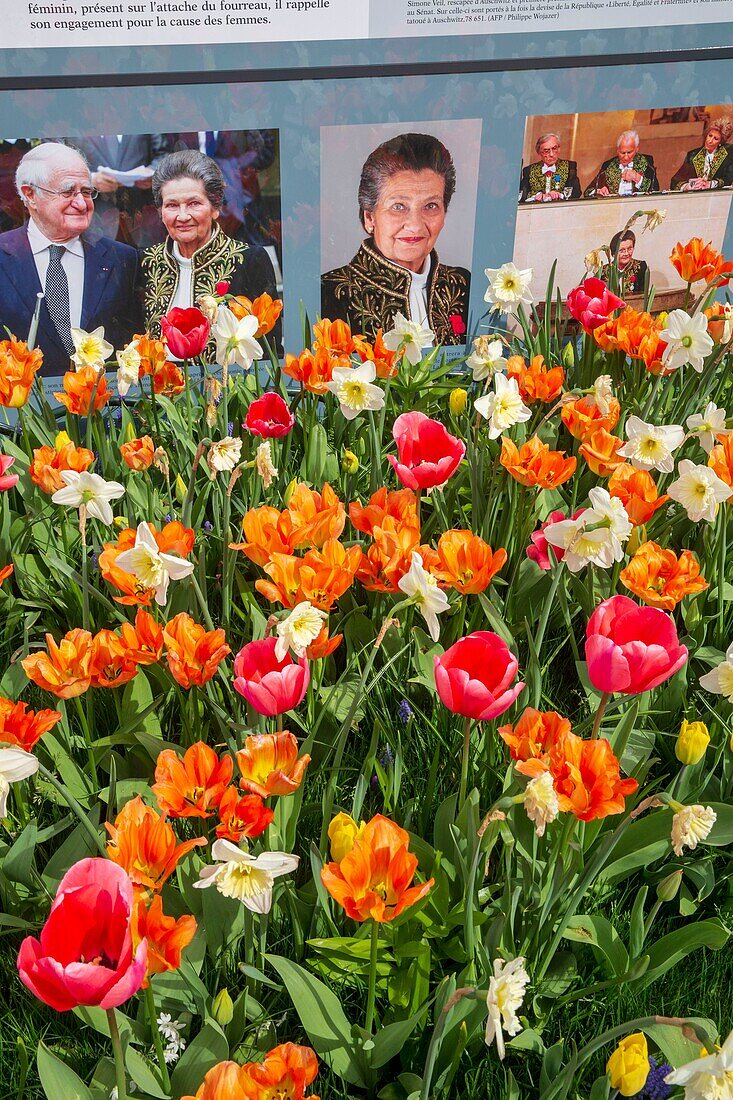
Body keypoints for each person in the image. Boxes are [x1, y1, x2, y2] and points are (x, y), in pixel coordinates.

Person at [0, 142, 140, 375]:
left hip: (104, 406)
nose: (81, 203)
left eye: (86, 192)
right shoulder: (4, 256)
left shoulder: (122, 260)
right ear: (30, 195)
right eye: (67, 192)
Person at [320, 133, 471, 346]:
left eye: (430, 206)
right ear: (369, 217)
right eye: (398, 206)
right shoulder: (330, 294)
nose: (415, 225)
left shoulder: (462, 284)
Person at [141, 149, 279, 359]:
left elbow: (270, 352)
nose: (183, 215)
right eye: (171, 205)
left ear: (215, 208)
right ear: (161, 213)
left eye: (194, 203)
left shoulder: (250, 260)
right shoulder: (145, 263)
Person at [66, 133, 171, 248]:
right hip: (97, 220)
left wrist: (153, 172)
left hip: (143, 216)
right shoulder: (75, 131)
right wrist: (91, 179)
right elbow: (60, 166)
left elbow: (164, 154)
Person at [585, 131, 659, 198]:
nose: (626, 157)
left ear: (636, 149)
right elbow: (588, 191)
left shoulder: (646, 163)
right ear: (617, 150)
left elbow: (655, 189)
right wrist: (598, 191)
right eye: (622, 153)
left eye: (629, 152)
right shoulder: (608, 165)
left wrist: (637, 178)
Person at [671, 118, 733, 191]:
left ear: (720, 142)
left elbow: (728, 178)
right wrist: (687, 186)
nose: (710, 141)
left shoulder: (728, 154)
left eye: (715, 138)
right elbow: (676, 181)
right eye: (710, 135)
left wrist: (710, 184)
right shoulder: (692, 155)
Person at [519, 133, 581, 203]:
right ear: (539, 153)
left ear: (559, 149)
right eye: (546, 151)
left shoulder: (570, 167)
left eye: (554, 149)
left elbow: (576, 192)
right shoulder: (529, 170)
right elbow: (522, 195)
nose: (551, 154)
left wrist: (560, 195)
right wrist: (537, 196)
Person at [601, 229, 648, 296]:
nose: (626, 253)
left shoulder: (641, 267)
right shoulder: (603, 271)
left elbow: (642, 296)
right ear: (614, 253)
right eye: (622, 250)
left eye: (629, 249)